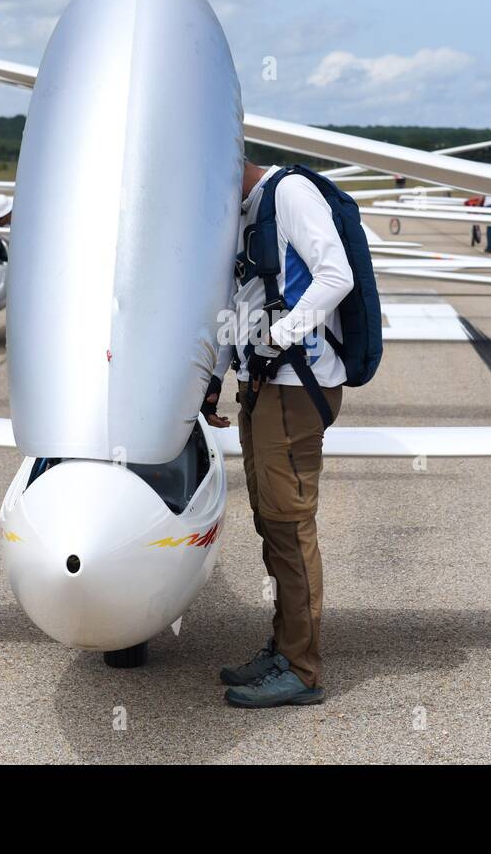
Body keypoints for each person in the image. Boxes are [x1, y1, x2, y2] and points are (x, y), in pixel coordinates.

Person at [201, 159, 352, 709]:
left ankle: (303, 669)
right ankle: (285, 648)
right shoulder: (247, 212)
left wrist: (278, 338)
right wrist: (216, 377)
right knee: (269, 519)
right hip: (263, 386)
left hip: (295, 386)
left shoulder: (290, 194)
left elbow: (336, 275)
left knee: (289, 525)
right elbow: (238, 304)